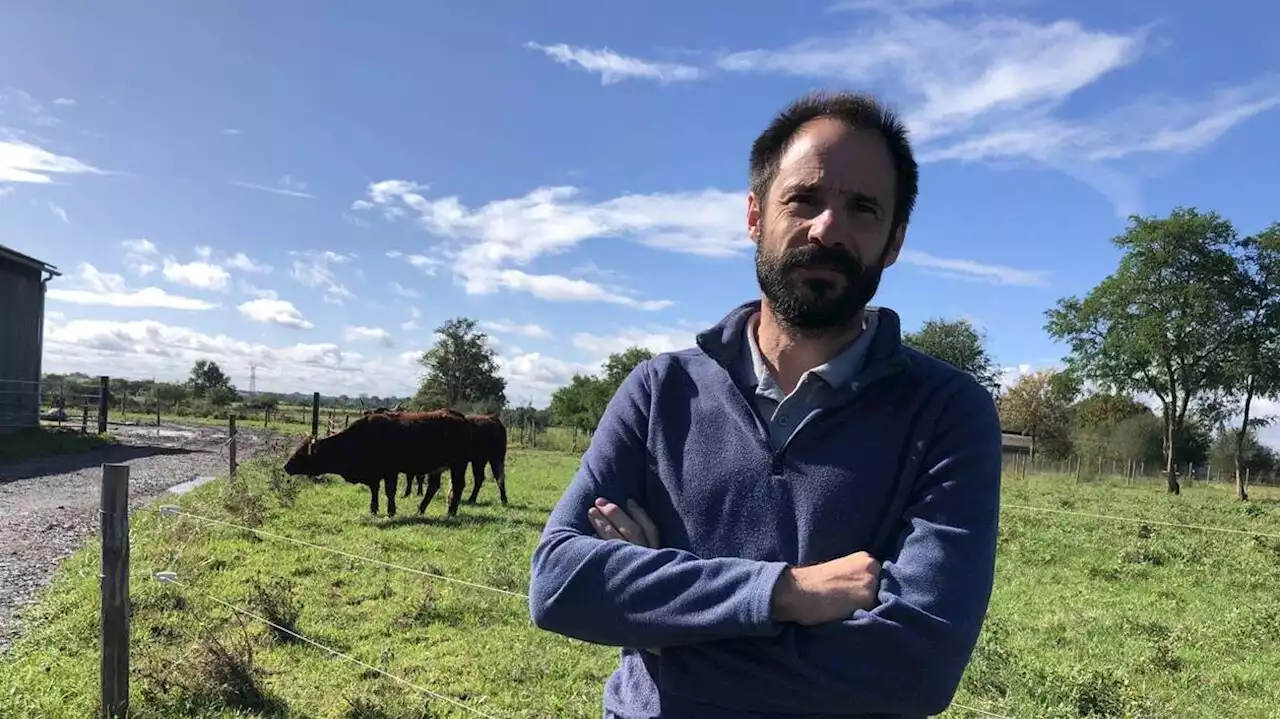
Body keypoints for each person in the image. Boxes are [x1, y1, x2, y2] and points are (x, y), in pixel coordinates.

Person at [527, 90, 1003, 719]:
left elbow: (914, 672)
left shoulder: (948, 411)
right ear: (756, 215)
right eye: (803, 199)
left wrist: (658, 622)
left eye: (862, 208)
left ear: (893, 242)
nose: (826, 228)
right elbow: (559, 583)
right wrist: (784, 593)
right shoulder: (659, 390)